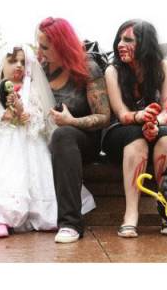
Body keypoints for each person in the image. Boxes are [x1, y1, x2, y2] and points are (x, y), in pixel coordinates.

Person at [0, 44, 58, 237]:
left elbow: (38, 113)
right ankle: (1, 219)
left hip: (30, 140)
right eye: (12, 61)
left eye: (22, 62)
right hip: (6, 139)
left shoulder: (31, 89)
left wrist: (26, 113)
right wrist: (4, 115)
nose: (18, 65)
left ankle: (43, 215)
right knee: (6, 175)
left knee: (36, 176)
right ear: (2, 65)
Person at [37, 17, 110, 243]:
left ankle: (70, 223)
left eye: (45, 47)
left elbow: (104, 117)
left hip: (82, 139)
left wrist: (72, 122)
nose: (39, 51)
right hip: (45, 137)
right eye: (38, 44)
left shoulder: (87, 68)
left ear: (61, 46)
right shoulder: (40, 70)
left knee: (63, 135)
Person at [103, 20, 167, 238]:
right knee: (136, 138)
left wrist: (154, 123)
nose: (120, 44)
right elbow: (121, 113)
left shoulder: (164, 67)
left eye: (128, 40)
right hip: (120, 132)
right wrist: (140, 116)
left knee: (166, 140)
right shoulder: (112, 71)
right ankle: (130, 215)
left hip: (152, 125)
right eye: (119, 39)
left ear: (145, 44)